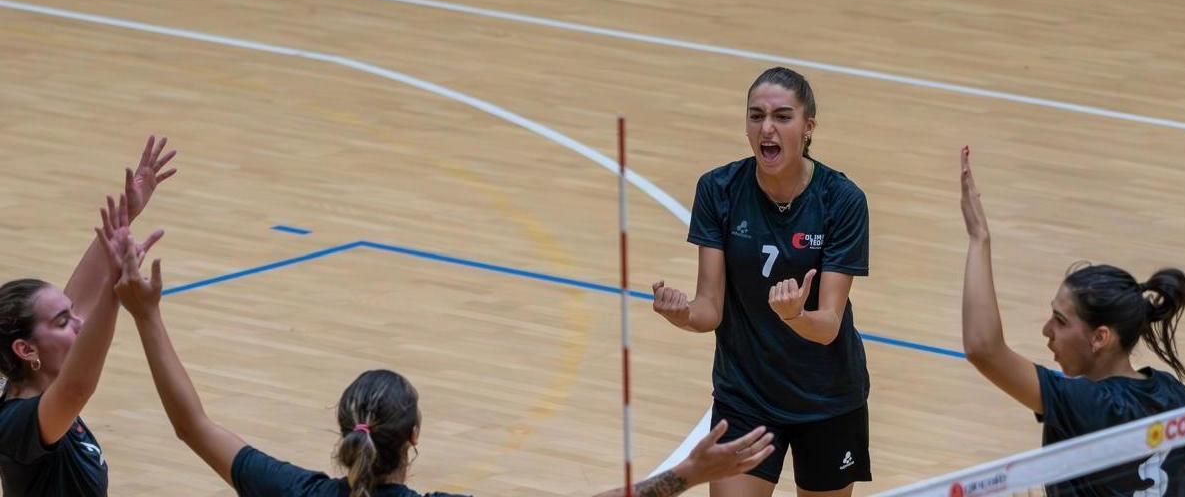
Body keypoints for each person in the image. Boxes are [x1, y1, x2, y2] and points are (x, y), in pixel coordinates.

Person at [109, 234, 776, 497]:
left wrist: (147, 316)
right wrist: (685, 476)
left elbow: (191, 425)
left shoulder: (293, 493)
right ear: (415, 438)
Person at [651, 67, 871, 497]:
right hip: (746, 396)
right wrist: (682, 313)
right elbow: (709, 309)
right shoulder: (719, 190)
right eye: (756, 116)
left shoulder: (842, 201)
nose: (767, 128)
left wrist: (793, 315)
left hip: (826, 398)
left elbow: (827, 326)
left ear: (808, 128)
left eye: (782, 117)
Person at [959, 145, 1185, 497]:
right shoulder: (1179, 398)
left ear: (1100, 337)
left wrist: (979, 237)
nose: (1046, 331)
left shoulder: (1088, 403)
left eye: (1059, 320)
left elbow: (983, 348)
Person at [0, 136, 175, 496]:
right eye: (62, 322)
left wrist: (126, 217)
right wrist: (115, 294)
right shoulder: (20, 423)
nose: (78, 321)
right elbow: (78, 387)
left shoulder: (41, 383)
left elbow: (77, 304)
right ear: (25, 349)